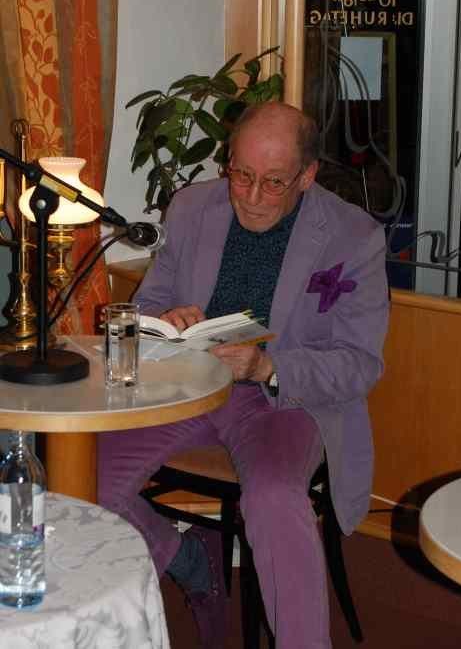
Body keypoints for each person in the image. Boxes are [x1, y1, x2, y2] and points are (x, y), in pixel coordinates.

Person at [98, 102, 389, 649]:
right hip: (189, 387)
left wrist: (270, 365)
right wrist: (168, 320)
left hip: (284, 401)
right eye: (241, 175)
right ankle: (188, 559)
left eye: (273, 182)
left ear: (307, 176)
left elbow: (360, 362)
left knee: (275, 497)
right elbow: (149, 305)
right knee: (84, 481)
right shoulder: (192, 207)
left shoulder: (353, 236)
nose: (252, 196)